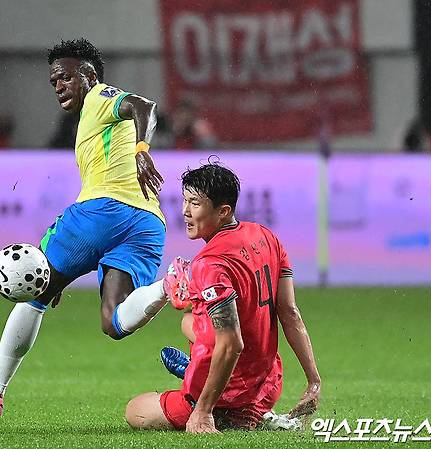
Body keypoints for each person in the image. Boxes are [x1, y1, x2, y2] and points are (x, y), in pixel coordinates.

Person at [0, 38, 188, 421]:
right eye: (54, 81)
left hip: (103, 211)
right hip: (148, 223)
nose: (59, 86)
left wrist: (142, 151)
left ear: (88, 74)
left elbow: (144, 106)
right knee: (114, 321)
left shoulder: (100, 97)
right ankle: (171, 284)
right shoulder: (90, 119)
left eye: (65, 77)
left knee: (34, 293)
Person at [124, 162, 322, 433]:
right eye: (185, 201)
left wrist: (202, 412)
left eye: (195, 203)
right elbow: (290, 313)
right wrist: (313, 381)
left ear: (223, 211)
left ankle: (218, 408)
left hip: (230, 389)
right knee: (189, 320)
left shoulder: (209, 263)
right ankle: (253, 411)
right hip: (266, 383)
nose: (185, 211)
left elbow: (232, 343)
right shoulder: (267, 237)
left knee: (135, 410)